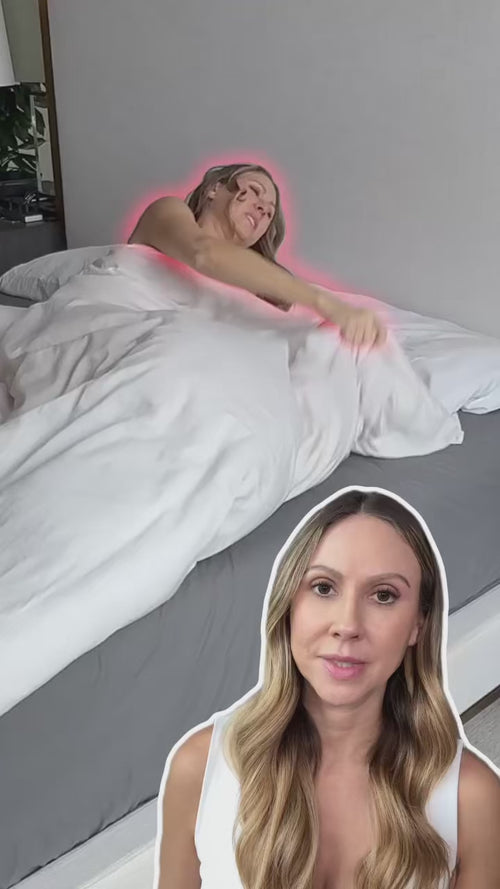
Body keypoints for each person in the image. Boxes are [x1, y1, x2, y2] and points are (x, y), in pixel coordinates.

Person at [157, 488, 500, 889]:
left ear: (417, 626)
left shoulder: (472, 799)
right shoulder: (199, 769)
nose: (348, 624)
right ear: (289, 606)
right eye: (323, 588)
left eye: (383, 595)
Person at [128, 162, 387, 348]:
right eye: (253, 190)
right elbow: (203, 253)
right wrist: (326, 304)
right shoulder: (166, 212)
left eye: (269, 213)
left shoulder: (251, 293)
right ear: (214, 190)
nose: (263, 208)